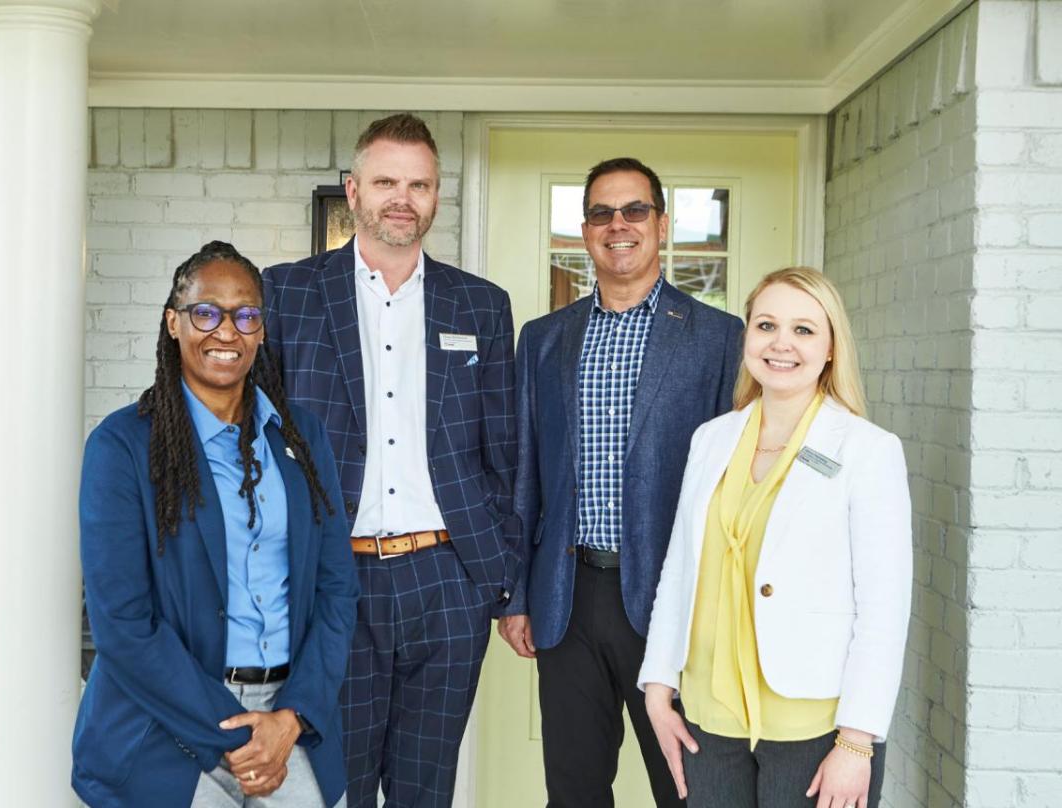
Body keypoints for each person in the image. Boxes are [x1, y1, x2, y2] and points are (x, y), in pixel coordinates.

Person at [263, 114, 518, 808]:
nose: (401, 198)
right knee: (332, 788)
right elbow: (254, 442)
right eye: (385, 182)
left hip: (448, 582)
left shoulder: (482, 305)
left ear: (437, 196)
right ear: (353, 191)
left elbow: (504, 452)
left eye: (419, 184)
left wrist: (501, 585)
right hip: (334, 578)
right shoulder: (286, 294)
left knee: (424, 792)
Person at [72, 241, 360, 808]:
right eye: (207, 312)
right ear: (173, 323)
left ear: (261, 330)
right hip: (167, 722)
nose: (226, 332)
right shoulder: (122, 447)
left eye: (246, 315)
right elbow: (122, 624)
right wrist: (233, 727)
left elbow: (337, 591)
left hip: (288, 718)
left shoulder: (302, 436)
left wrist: (289, 718)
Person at [498, 157, 743, 808]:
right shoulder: (544, 340)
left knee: (689, 791)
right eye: (602, 213)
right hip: (568, 597)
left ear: (661, 225)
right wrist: (517, 593)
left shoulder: (719, 339)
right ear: (585, 232)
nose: (619, 225)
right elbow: (528, 474)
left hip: (674, 602)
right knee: (575, 792)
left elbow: (734, 487)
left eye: (635, 210)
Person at [638, 267, 913, 808]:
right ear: (747, 337)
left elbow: (884, 607)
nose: (781, 343)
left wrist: (857, 743)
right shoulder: (712, 438)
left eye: (804, 330)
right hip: (708, 721)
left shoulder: (867, 450)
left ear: (832, 347)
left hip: (813, 727)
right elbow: (681, 571)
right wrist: (656, 687)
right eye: (766, 325)